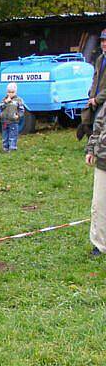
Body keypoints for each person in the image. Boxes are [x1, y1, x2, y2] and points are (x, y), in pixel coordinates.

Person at [85, 100, 106, 256]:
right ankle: (99, 245)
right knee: (99, 205)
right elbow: (98, 124)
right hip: (103, 161)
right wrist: (91, 149)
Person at [79, 28, 106, 140]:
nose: (104, 44)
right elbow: (95, 80)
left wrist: (97, 99)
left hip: (102, 101)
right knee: (93, 124)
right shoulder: (100, 59)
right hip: (97, 101)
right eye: (102, 41)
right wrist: (91, 97)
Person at [0, 82, 25, 152]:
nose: (10, 94)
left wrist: (18, 116)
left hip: (13, 121)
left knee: (13, 135)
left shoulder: (18, 100)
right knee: (5, 135)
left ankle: (12, 147)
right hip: (4, 121)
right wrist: (6, 102)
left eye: (12, 92)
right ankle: (5, 147)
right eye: (9, 92)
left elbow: (22, 110)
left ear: (15, 92)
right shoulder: (4, 99)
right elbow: (0, 106)